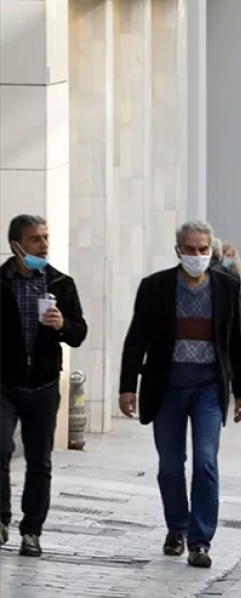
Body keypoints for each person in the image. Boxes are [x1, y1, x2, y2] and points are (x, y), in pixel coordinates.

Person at [118, 220, 241, 569]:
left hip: (208, 388)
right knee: (170, 467)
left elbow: (235, 341)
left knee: (206, 462)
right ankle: (177, 527)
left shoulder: (226, 286)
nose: (197, 255)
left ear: (212, 250)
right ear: (178, 250)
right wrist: (127, 386)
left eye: (203, 249)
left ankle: (200, 540)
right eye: (190, 249)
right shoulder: (155, 287)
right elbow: (136, 338)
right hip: (166, 389)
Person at [0, 215, 87, 556]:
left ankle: (31, 531)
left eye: (46, 238)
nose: (44, 245)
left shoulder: (61, 284)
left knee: (40, 461)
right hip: (4, 383)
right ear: (16, 245)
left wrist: (63, 324)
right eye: (35, 239)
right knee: (0, 448)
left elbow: (80, 333)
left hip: (43, 383)